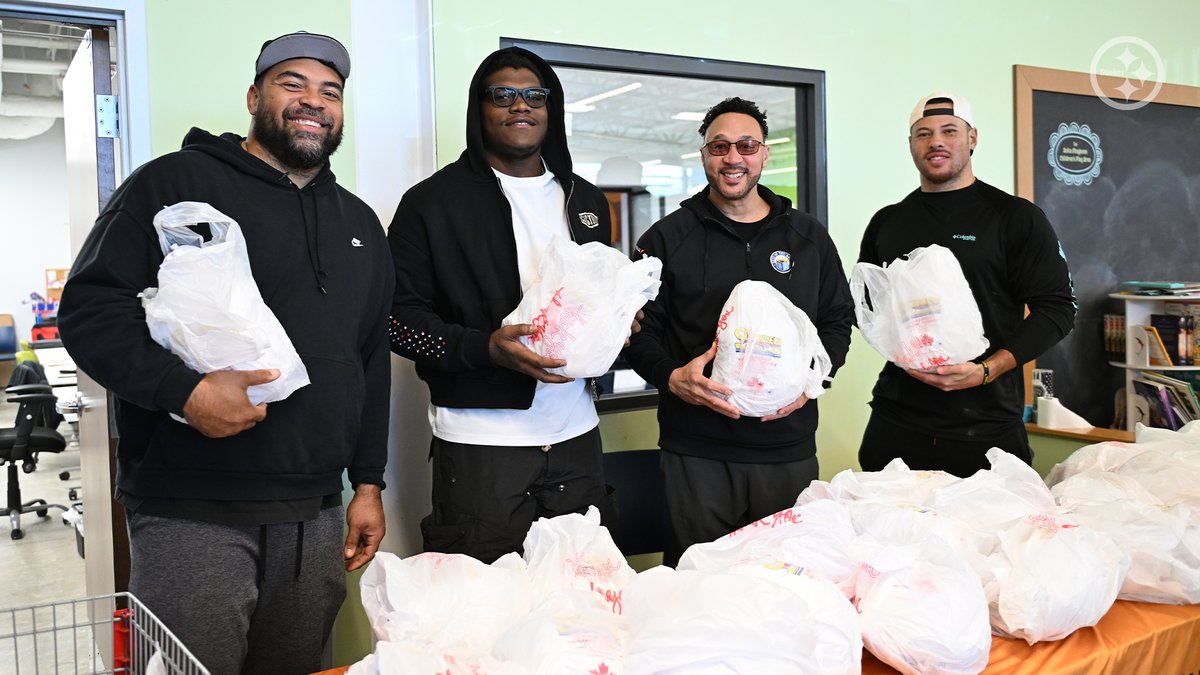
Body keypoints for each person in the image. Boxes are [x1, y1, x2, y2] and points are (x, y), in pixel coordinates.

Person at [57, 32, 392, 675]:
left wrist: (369, 483)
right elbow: (92, 310)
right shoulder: (175, 183)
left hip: (317, 511)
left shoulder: (359, 224)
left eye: (330, 91)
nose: (312, 101)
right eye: (292, 83)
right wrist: (183, 392)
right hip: (194, 508)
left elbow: (370, 359)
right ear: (254, 96)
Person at [389, 47, 620, 564]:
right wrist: (483, 348)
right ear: (480, 109)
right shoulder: (431, 203)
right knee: (481, 613)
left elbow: (592, 298)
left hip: (576, 438)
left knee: (577, 602)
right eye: (503, 95)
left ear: (551, 108)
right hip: (480, 446)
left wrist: (616, 323)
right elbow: (395, 322)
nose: (521, 106)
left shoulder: (585, 201)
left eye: (534, 95)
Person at [624, 97, 855, 567]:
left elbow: (835, 320)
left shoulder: (807, 237)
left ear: (765, 153)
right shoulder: (667, 239)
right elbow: (638, 334)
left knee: (786, 586)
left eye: (746, 145)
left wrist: (815, 382)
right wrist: (671, 378)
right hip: (697, 454)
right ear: (704, 155)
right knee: (697, 586)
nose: (733, 158)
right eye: (720, 146)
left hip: (786, 451)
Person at [857, 92, 1076, 477]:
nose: (936, 141)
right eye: (923, 133)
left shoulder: (1014, 218)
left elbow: (1057, 310)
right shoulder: (888, 222)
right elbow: (867, 306)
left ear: (972, 138)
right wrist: (899, 351)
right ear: (911, 145)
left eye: (949, 131)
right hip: (897, 419)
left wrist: (987, 369)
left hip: (987, 423)